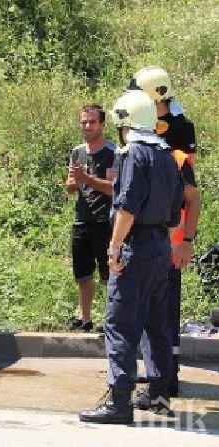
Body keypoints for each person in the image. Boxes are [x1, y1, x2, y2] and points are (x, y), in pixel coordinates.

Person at [79, 89, 184, 424]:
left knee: (121, 323)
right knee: (157, 324)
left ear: (125, 121)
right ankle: (159, 396)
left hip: (135, 246)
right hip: (159, 247)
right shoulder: (167, 155)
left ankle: (119, 401)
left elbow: (126, 207)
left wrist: (114, 248)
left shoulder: (132, 155)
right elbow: (174, 211)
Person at [130, 66, 201, 401]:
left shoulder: (178, 131)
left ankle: (165, 379)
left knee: (163, 312)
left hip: (168, 235)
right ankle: (159, 375)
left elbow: (190, 192)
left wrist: (186, 239)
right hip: (157, 232)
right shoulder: (144, 129)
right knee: (153, 312)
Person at [65, 105, 116, 331]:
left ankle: (111, 321)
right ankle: (84, 320)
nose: (87, 126)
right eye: (83, 122)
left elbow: (112, 188)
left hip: (104, 221)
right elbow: (70, 186)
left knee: (109, 274)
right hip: (81, 220)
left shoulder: (113, 152)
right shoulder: (77, 152)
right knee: (83, 274)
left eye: (92, 122)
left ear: (102, 125)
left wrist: (86, 178)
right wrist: (74, 183)